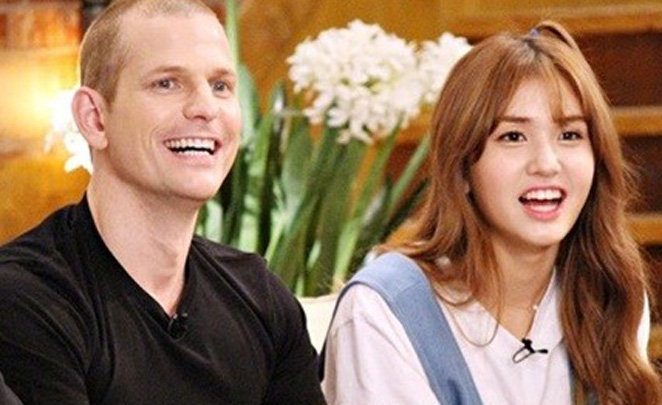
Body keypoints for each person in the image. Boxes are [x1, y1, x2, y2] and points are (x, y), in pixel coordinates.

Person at [0, 0, 325, 404]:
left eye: (220, 86)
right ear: (94, 118)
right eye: (167, 83)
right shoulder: (25, 296)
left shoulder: (261, 296)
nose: (205, 108)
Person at [322, 21, 662, 405]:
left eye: (570, 135)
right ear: (462, 168)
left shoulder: (609, 295)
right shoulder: (384, 311)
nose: (547, 164)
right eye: (512, 136)